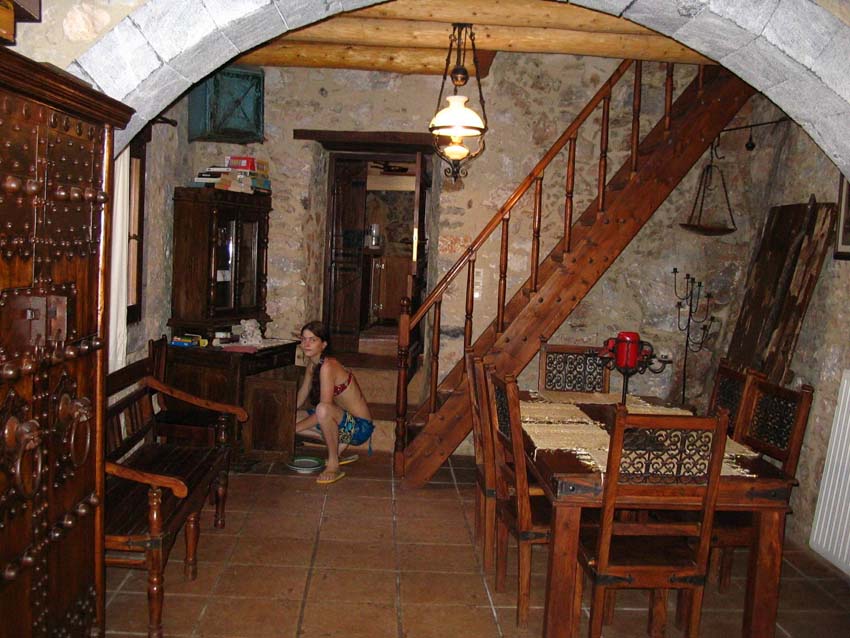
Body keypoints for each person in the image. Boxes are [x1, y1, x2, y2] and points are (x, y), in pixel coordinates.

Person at [295, 321, 374, 484]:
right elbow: (302, 395)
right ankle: (338, 444)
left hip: (359, 428)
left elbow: (325, 409)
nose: (306, 344)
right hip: (342, 421)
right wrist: (286, 416)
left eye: (312, 340)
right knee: (291, 417)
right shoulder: (313, 364)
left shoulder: (328, 366)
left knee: (322, 410)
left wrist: (295, 428)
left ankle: (333, 464)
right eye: (304, 339)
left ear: (323, 345)